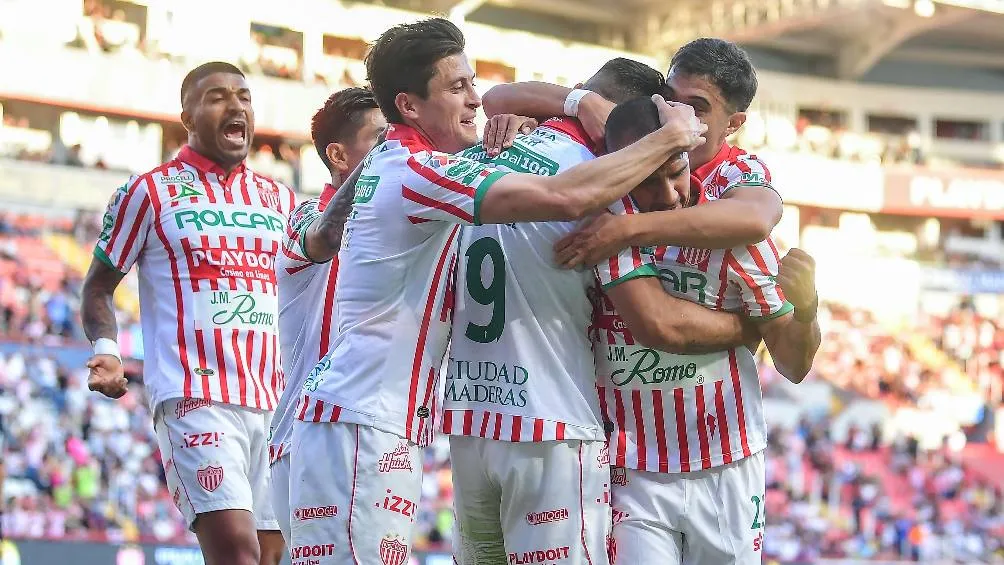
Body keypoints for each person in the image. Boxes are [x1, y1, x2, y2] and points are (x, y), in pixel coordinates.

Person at [289, 17, 706, 564]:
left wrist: (568, 102)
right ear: (409, 105)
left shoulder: (459, 159)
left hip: (450, 422)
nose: (475, 99)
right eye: (457, 87)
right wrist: (669, 139)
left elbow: (502, 103)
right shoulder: (424, 170)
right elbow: (567, 201)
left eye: (471, 83)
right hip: (508, 422)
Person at [445, 57, 765, 565]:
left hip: (469, 416)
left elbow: (498, 97)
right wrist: (750, 327)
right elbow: (657, 322)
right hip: (552, 425)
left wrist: (573, 102)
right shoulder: (601, 185)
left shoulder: (484, 158)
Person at [80, 62, 292, 565]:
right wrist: (107, 351)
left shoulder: (280, 199)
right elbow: (98, 287)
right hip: (195, 396)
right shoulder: (148, 192)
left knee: (271, 556)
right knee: (236, 553)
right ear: (188, 118)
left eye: (243, 96)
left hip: (275, 402)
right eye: (217, 97)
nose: (236, 106)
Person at [595, 95, 821, 564]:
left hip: (727, 463)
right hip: (631, 467)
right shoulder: (607, 224)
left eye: (676, 172)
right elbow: (661, 326)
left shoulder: (735, 236)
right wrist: (745, 330)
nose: (669, 195)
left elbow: (794, 365)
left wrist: (805, 311)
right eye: (648, 181)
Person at [269, 87, 385, 545]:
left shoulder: (398, 224)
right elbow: (325, 237)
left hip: (375, 436)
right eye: (382, 140)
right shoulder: (304, 219)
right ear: (338, 155)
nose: (399, 150)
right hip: (310, 439)